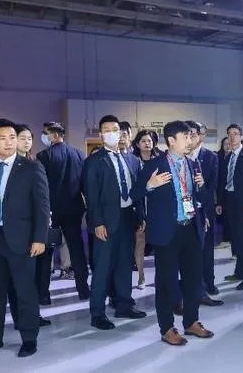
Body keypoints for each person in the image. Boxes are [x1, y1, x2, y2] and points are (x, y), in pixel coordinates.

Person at [0, 118, 50, 359]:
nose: (9, 142)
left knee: (25, 290)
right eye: (2, 138)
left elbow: (42, 206)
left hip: (22, 240)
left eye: (12, 137)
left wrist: (40, 238)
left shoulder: (31, 168)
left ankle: (29, 338)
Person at [133, 120, 214, 345]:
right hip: (166, 232)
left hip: (191, 228)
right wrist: (149, 185)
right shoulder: (154, 165)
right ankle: (167, 327)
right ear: (171, 141)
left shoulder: (193, 164)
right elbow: (135, 193)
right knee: (166, 282)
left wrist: (201, 187)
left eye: (191, 137)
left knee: (193, 279)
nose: (190, 141)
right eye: (185, 137)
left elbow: (204, 199)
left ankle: (191, 321)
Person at [83, 115, 146, 330]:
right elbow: (91, 195)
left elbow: (137, 190)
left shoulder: (131, 160)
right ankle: (98, 313)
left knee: (124, 264)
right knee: (102, 268)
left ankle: (124, 304)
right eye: (107, 130)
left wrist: (141, 216)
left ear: (121, 133)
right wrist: (97, 222)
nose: (111, 133)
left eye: (115, 129)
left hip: (127, 218)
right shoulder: (94, 161)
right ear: (101, 135)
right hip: (105, 222)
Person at [36, 122, 90, 302]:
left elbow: (41, 187)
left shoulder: (44, 156)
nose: (44, 137)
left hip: (51, 211)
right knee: (77, 249)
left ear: (55, 135)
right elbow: (84, 183)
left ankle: (43, 294)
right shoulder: (78, 154)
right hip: (74, 209)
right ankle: (83, 290)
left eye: (45, 133)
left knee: (47, 253)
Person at [7, 124, 52, 328]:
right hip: (13, 231)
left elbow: (42, 197)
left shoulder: (35, 163)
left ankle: (31, 316)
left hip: (34, 229)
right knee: (16, 278)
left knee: (34, 276)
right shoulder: (6, 166)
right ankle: (20, 318)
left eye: (29, 138)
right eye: (22, 138)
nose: (27, 142)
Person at [184, 121, 222, 305]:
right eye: (188, 135)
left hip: (204, 209)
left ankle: (208, 283)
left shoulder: (210, 157)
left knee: (206, 250)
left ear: (200, 135)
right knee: (188, 252)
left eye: (194, 134)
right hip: (185, 212)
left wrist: (207, 211)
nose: (191, 138)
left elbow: (212, 185)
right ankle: (192, 287)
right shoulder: (180, 156)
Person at [216, 124, 243, 290]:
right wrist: (220, 202)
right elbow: (222, 182)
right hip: (230, 202)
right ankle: (239, 272)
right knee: (236, 240)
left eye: (235, 134)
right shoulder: (228, 157)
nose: (232, 137)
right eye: (229, 134)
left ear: (241, 136)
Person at [130, 129, 160, 289]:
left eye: (149, 141)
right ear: (137, 144)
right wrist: (140, 214)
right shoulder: (134, 162)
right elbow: (134, 189)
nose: (147, 143)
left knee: (161, 246)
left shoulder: (160, 160)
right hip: (140, 208)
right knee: (140, 244)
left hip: (158, 209)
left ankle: (160, 277)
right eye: (143, 141)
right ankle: (141, 277)